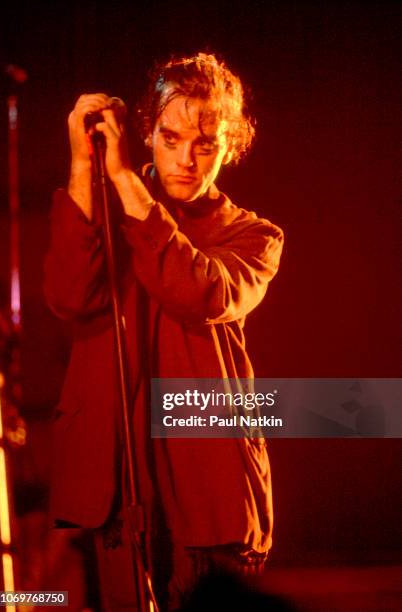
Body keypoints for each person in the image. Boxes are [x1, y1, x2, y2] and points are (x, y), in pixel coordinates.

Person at [44, 52, 284, 611]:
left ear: (231, 146)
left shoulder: (253, 235)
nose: (185, 160)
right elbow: (69, 296)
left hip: (210, 487)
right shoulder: (99, 208)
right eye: (171, 138)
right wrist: (85, 167)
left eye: (206, 145)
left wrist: (126, 178)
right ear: (148, 132)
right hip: (114, 486)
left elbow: (201, 292)